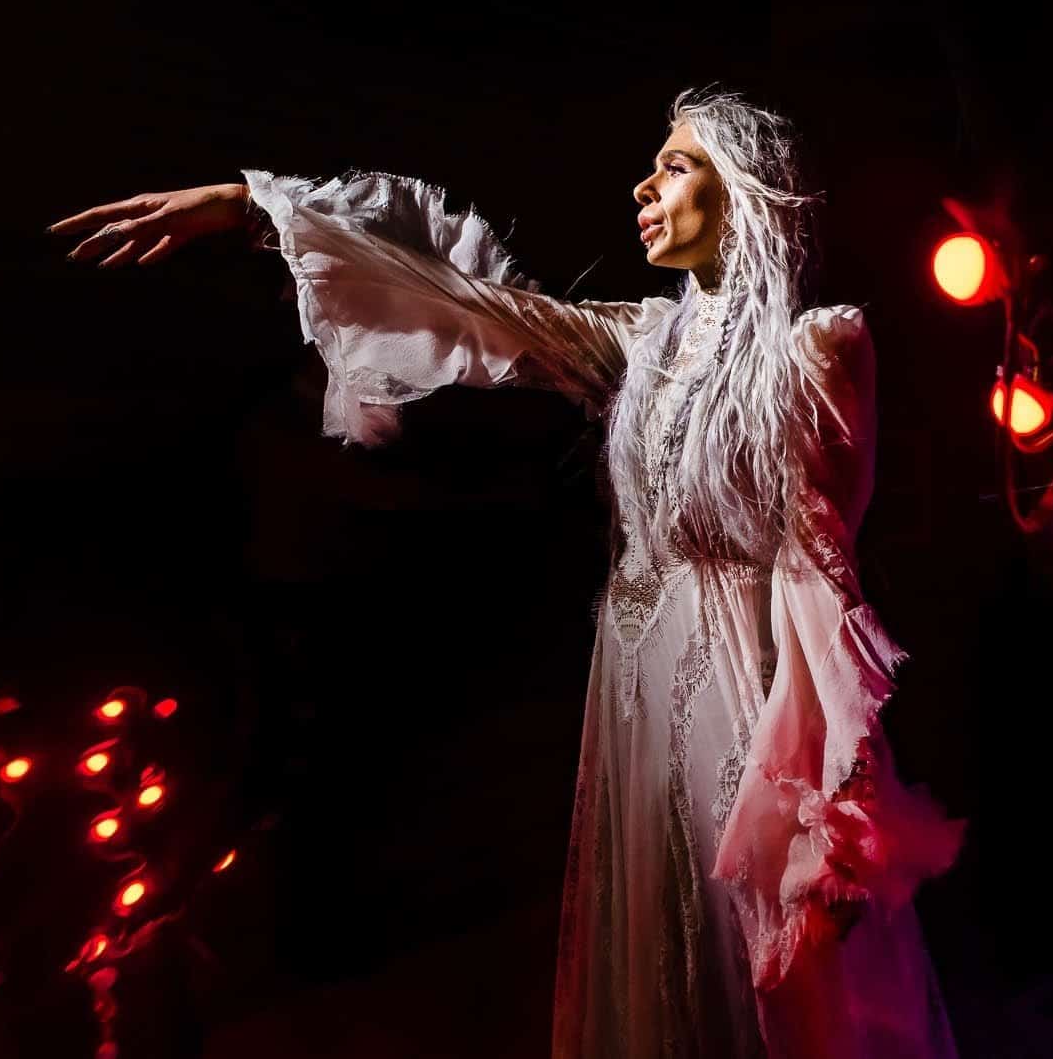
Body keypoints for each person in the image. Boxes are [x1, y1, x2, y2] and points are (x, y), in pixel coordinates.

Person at [48, 88, 964, 1058]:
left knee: (773, 983)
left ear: (743, 193)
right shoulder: (640, 341)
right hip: (639, 693)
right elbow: (465, 302)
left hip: (746, 703)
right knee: (668, 977)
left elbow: (819, 576)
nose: (643, 185)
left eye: (676, 165)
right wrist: (252, 209)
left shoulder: (816, 345)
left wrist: (836, 804)